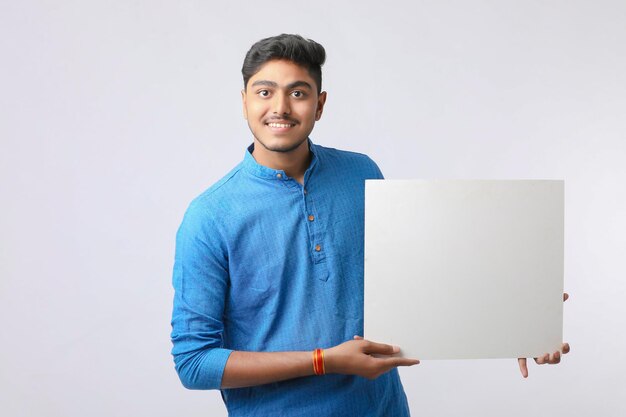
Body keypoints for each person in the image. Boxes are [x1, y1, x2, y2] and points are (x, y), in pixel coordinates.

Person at [170, 33, 569, 416]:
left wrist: (519, 320)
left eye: (298, 92)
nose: (280, 107)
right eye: (264, 92)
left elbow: (411, 282)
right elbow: (194, 362)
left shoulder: (361, 172)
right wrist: (323, 361)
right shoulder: (209, 216)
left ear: (320, 104)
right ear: (243, 102)